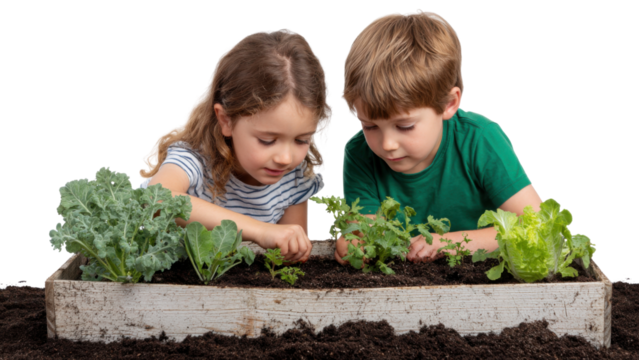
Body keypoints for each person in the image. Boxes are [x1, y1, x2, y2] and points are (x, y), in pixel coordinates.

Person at [336, 10, 544, 265]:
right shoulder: (359, 153)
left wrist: (451, 243)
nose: (387, 144)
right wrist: (353, 243)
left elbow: (536, 226)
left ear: (449, 103)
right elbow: (361, 232)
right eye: (369, 126)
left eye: (405, 126)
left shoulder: (480, 140)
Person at [137, 29, 333, 264]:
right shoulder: (194, 158)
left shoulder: (294, 176)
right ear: (226, 120)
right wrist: (261, 231)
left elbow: (291, 254)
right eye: (267, 140)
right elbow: (156, 200)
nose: (285, 157)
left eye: (301, 140)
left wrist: (291, 248)